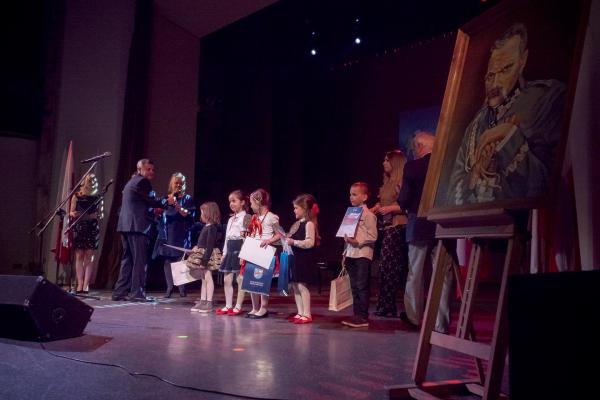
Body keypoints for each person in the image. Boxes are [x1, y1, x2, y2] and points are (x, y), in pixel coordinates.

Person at [448, 22, 566, 205]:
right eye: (490, 76)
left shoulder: (547, 98)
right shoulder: (475, 126)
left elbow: (555, 184)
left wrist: (510, 137)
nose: (495, 84)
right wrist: (475, 173)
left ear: (522, 61)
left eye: (505, 70)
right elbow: (450, 195)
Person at [398, 132, 454, 333]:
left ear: (420, 147)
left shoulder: (413, 167)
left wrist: (402, 204)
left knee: (416, 272)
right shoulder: (448, 165)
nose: (414, 153)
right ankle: (441, 324)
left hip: (419, 224)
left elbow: (405, 198)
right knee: (444, 275)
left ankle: (414, 318)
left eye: (414, 149)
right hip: (445, 225)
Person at [112, 159, 163, 302]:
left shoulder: (131, 182)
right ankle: (137, 293)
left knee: (127, 260)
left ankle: (119, 292)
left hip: (126, 225)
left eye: (153, 169)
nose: (152, 172)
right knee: (140, 261)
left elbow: (139, 204)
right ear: (140, 169)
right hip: (137, 227)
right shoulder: (142, 182)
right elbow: (153, 201)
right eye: (149, 169)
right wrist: (166, 201)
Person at [371, 150, 408, 318]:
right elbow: (382, 203)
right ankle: (385, 305)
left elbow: (406, 205)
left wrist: (389, 208)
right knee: (384, 268)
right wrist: (372, 210)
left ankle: (388, 306)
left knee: (391, 268)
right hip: (386, 227)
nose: (383, 163)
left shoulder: (402, 181)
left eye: (387, 160)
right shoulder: (387, 182)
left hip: (397, 226)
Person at [341, 182, 378, 328]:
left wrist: (357, 241)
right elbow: (347, 235)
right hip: (351, 253)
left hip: (362, 254)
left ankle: (363, 316)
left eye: (355, 194)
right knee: (354, 286)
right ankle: (356, 315)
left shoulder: (368, 215)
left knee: (362, 285)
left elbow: (373, 236)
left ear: (365, 197)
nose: (351, 197)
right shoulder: (350, 213)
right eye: (350, 194)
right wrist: (345, 252)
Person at [153, 172, 195, 298]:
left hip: (181, 233)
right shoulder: (166, 199)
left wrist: (176, 204)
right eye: (176, 183)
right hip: (167, 233)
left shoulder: (187, 199)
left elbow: (187, 214)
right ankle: (169, 287)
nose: (178, 185)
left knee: (180, 261)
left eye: (181, 183)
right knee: (167, 260)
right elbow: (159, 215)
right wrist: (158, 213)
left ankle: (182, 288)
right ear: (171, 184)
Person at [245, 188, 281, 319]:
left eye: (251, 203)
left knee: (262, 281)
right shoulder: (254, 218)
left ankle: (263, 308)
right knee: (251, 281)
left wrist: (269, 240)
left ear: (258, 202)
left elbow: (279, 234)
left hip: (265, 253)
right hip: (254, 251)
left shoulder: (272, 217)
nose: (250, 206)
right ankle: (254, 307)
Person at [284, 194, 320, 325]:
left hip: (304, 259)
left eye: (296, 208)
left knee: (302, 286)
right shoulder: (297, 224)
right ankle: (300, 312)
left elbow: (310, 242)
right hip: (295, 258)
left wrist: (294, 242)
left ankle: (307, 313)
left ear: (304, 209)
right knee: (295, 285)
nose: (294, 210)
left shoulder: (309, 224)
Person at [215, 190, 251, 316]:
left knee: (240, 279)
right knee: (227, 279)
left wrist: (244, 254)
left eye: (234, 201)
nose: (231, 204)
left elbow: (247, 237)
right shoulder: (231, 219)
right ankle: (228, 305)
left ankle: (238, 306)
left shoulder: (246, 217)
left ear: (242, 202)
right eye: (230, 201)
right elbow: (227, 238)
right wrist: (224, 252)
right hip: (230, 248)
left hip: (239, 247)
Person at [69, 173, 102, 293]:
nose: (91, 183)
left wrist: (96, 215)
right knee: (79, 255)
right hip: (80, 226)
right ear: (84, 182)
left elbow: (100, 214)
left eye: (93, 181)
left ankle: (86, 284)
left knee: (89, 256)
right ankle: (80, 282)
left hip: (92, 227)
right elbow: (71, 212)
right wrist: (75, 214)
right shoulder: (76, 196)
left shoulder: (97, 197)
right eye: (89, 181)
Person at [190, 202, 223, 313]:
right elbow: (203, 243)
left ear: (208, 213)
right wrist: (197, 247)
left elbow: (209, 246)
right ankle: (203, 300)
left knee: (208, 278)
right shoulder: (206, 226)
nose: (201, 215)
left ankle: (208, 302)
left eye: (202, 212)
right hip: (203, 255)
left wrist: (204, 261)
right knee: (204, 279)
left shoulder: (212, 228)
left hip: (207, 257)